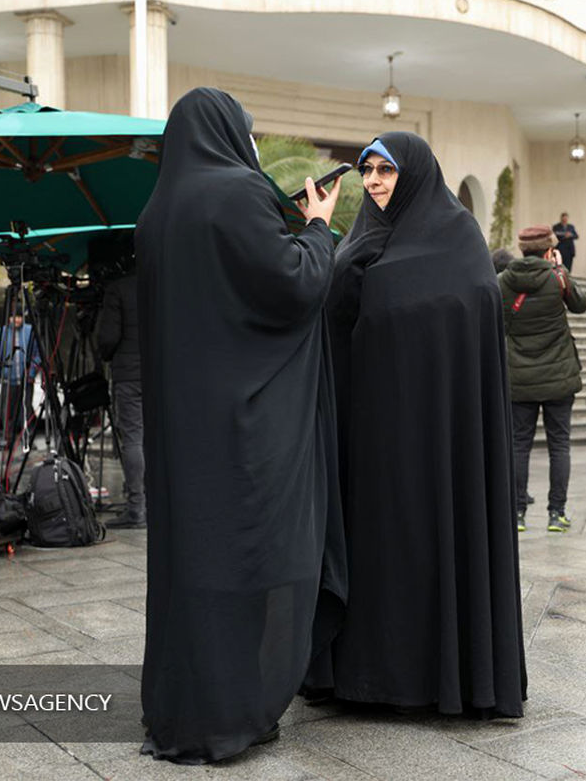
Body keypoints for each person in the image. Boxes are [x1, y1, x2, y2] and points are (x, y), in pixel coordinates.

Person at [134, 88, 346, 764]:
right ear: (230, 133)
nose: (253, 148)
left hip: (181, 424)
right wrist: (317, 227)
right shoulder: (237, 193)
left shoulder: (156, 210)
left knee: (190, 563)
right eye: (249, 134)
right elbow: (294, 286)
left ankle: (181, 712)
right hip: (240, 426)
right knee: (242, 557)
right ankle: (230, 714)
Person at [320, 132, 526, 718]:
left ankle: (444, 679)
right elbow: (331, 318)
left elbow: (470, 313)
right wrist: (346, 270)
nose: (376, 182)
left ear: (413, 173)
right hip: (373, 436)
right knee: (379, 546)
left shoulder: (457, 237)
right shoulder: (359, 241)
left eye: (386, 170)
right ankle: (364, 677)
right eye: (368, 172)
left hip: (443, 434)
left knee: (436, 542)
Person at [499, 225, 586, 533]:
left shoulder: (502, 282)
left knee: (519, 445)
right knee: (559, 445)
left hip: (519, 376)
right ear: (549, 250)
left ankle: (518, 514)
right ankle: (556, 514)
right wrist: (561, 268)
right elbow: (581, 304)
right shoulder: (557, 278)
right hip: (559, 376)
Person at [96, 252, 145, 530]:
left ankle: (137, 507)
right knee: (153, 438)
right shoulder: (161, 284)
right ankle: (155, 503)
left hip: (128, 374)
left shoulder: (119, 288)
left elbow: (109, 337)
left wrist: (105, 354)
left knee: (133, 438)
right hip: (157, 371)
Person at [0, 310, 41, 450]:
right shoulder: (0, 333)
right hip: (8, 380)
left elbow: (38, 354)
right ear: (9, 318)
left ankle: (28, 440)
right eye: (14, 316)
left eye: (19, 317)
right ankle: (7, 440)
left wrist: (32, 373)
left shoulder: (30, 331)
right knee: (7, 412)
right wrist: (3, 373)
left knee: (27, 410)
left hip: (26, 380)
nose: (16, 320)